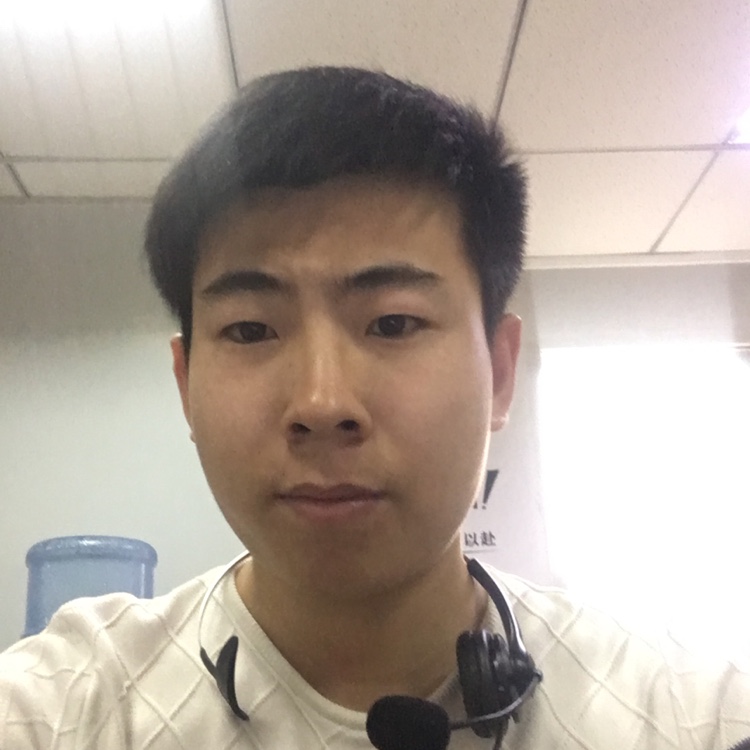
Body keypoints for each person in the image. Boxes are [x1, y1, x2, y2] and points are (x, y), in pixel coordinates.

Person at [0, 66, 748, 750]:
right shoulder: (68, 710)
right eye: (252, 330)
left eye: (392, 322)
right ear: (185, 383)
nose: (322, 404)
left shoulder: (687, 718)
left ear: (500, 372)